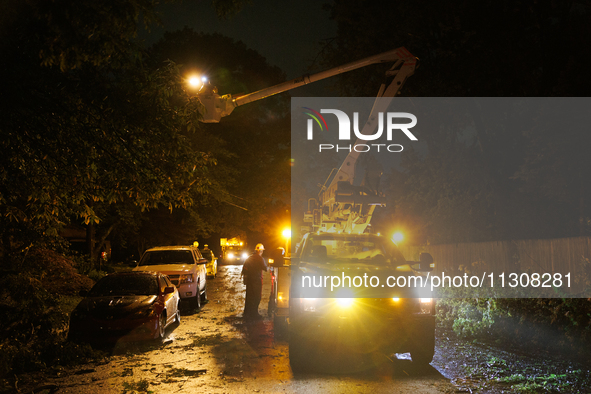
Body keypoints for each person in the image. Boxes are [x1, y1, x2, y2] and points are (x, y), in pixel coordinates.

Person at [241, 243, 267, 319]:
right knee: (257, 297)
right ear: (260, 251)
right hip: (257, 280)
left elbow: (244, 270)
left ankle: (247, 313)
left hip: (249, 281)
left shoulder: (249, 258)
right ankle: (254, 313)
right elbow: (265, 268)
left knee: (249, 297)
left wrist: (245, 280)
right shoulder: (260, 259)